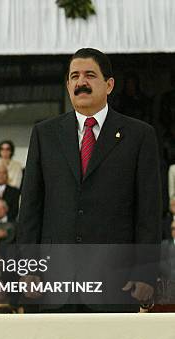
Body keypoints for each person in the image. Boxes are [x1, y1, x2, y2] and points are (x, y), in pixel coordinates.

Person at [17, 48, 162, 311]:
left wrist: (145, 273)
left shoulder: (139, 136)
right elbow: (30, 208)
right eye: (74, 76)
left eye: (89, 75)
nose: (81, 82)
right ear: (68, 85)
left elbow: (148, 213)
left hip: (116, 282)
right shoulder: (44, 134)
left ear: (109, 85)